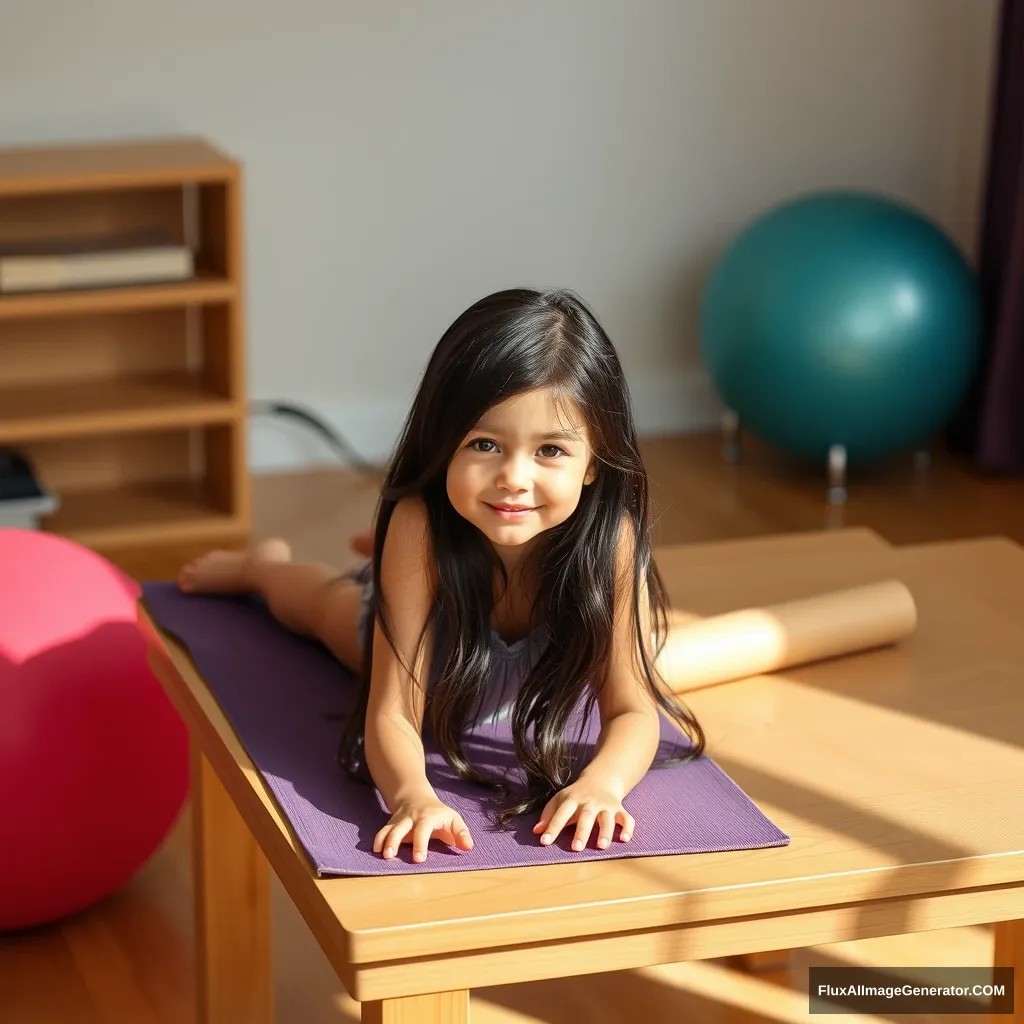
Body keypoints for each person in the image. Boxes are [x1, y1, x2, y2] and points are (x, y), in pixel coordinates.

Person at [177, 287, 706, 863]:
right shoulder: (420, 525)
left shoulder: (612, 541)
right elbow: (393, 711)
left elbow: (633, 709)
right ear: (442, 442)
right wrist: (412, 797)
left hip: (468, 630)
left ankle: (372, 558)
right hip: (421, 636)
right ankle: (266, 565)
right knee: (316, 606)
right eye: (485, 444)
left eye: (550, 450)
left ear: (593, 465)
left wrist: (603, 784)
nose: (514, 478)